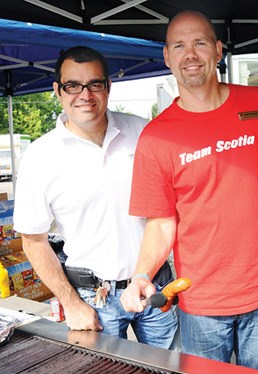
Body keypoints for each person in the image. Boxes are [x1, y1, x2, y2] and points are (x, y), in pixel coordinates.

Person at [119, 11, 258, 372]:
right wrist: (142, 274)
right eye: (179, 45)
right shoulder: (157, 137)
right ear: (167, 57)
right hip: (201, 300)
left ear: (218, 50)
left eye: (199, 43)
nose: (190, 54)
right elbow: (162, 223)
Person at [13, 46, 179, 349]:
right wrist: (71, 302)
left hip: (155, 288)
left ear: (108, 87)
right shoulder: (40, 156)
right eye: (73, 85)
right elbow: (33, 240)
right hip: (94, 299)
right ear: (57, 91)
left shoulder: (142, 132)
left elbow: (169, 211)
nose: (85, 95)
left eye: (95, 84)